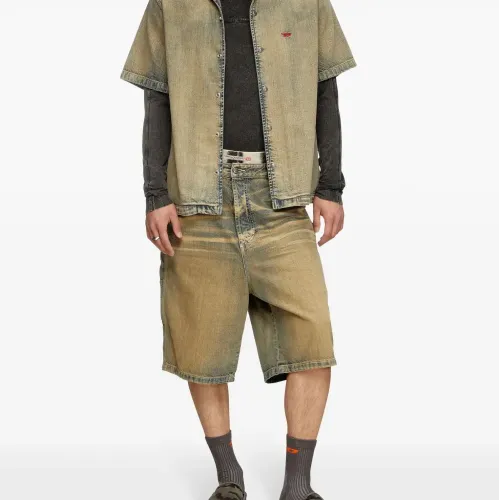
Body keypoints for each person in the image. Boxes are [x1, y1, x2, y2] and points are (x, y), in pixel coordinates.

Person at [120, 0, 356, 498]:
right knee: (201, 346)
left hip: (283, 195)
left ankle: (297, 486)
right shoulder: (170, 3)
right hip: (197, 196)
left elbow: (325, 89)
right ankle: (229, 476)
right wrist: (156, 194)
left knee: (312, 339)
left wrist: (331, 185)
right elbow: (156, 98)